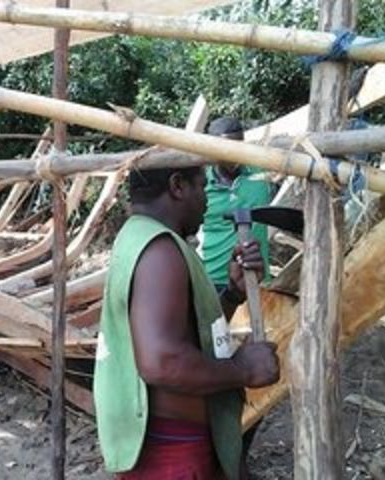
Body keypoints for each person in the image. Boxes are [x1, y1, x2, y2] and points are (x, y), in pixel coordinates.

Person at [93, 164, 280, 479]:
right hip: (171, 451)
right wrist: (242, 369)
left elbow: (185, 332)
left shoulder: (140, 236)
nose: (207, 202)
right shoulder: (160, 251)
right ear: (177, 186)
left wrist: (232, 295)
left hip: (164, 442)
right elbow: (161, 361)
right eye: (202, 188)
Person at [200, 117, 273, 291]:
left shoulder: (261, 175)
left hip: (257, 277)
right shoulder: (201, 186)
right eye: (227, 150)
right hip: (214, 281)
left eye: (239, 147)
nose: (234, 156)